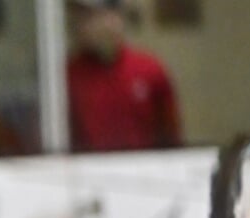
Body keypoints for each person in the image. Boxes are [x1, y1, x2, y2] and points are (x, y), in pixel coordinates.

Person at [66, 0, 181, 153]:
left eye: (92, 15)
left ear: (115, 17)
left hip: (147, 171)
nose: (84, 24)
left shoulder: (150, 70)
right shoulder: (67, 76)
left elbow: (172, 139)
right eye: (81, 16)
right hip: (88, 172)